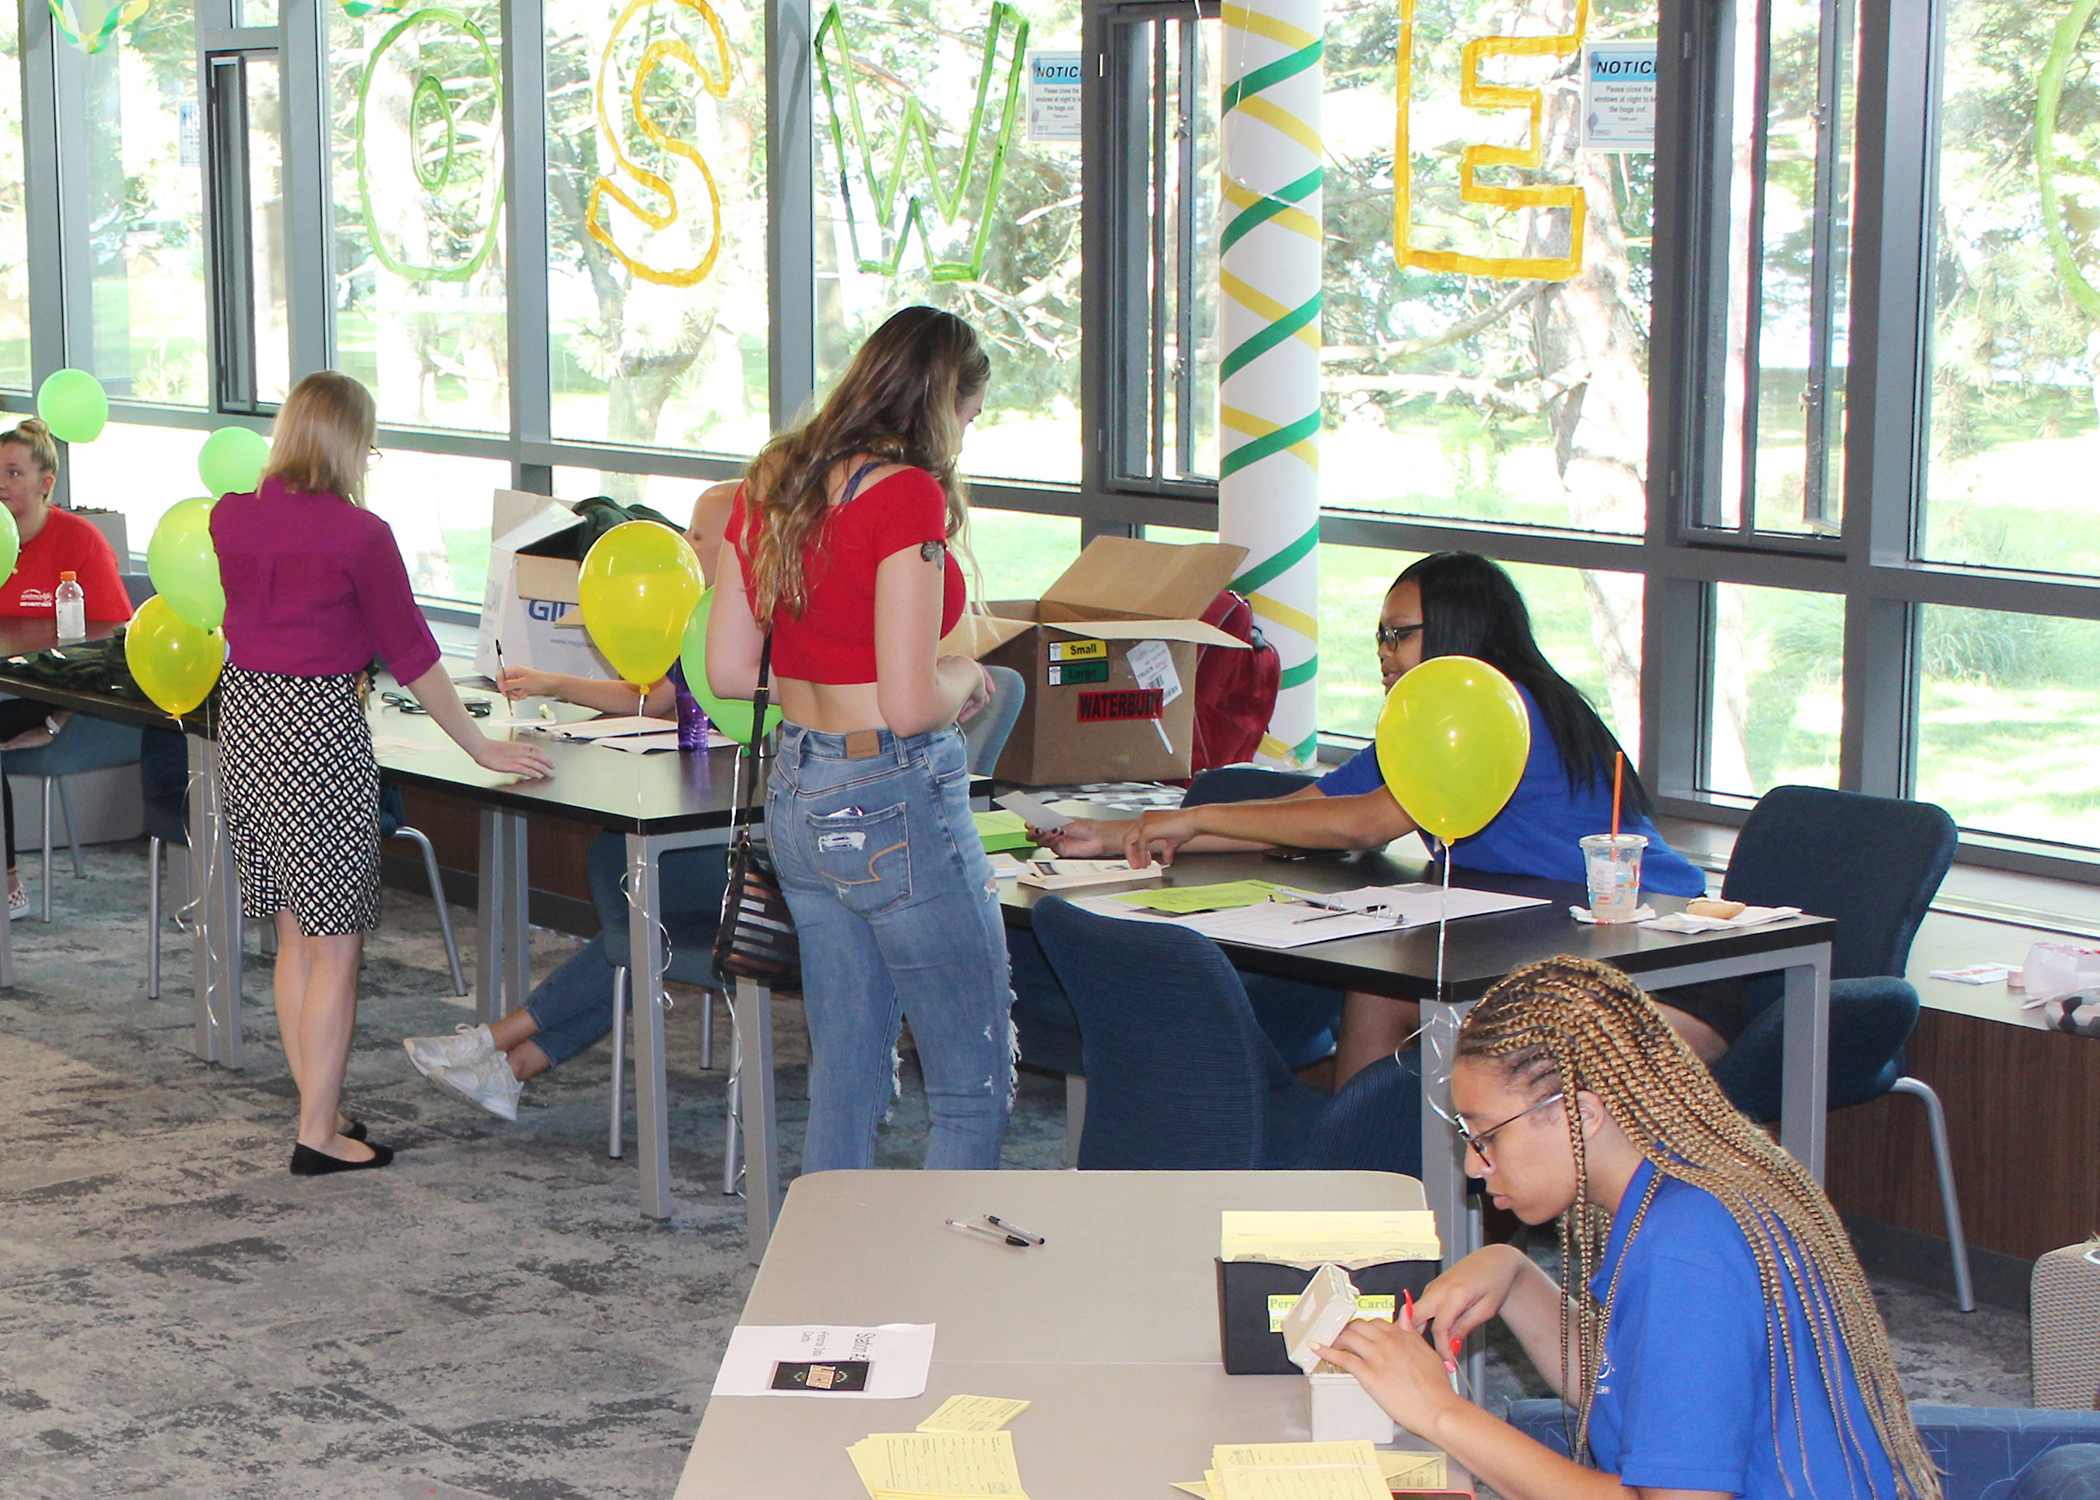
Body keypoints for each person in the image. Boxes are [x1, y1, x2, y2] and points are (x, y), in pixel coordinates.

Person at [1038, 552, 1714, 1080]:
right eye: (1380, 636)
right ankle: (1354, 1179)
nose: (1384, 652)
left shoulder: (1503, 709)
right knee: (1379, 991)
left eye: (1400, 635)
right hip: (1534, 938)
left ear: (1460, 628)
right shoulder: (1431, 720)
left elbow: (1363, 822)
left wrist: (1189, 822)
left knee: (1439, 1011)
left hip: (1654, 950)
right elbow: (1310, 809)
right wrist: (1136, 834)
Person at [1312, 955, 1941, 1500]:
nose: (1474, 1166)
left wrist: (1437, 1410)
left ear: (1578, 1116)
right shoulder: (1672, 1192)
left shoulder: (1688, 1251)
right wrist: (1515, 1279)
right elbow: (1639, 1395)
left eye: (1484, 1135)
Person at [211, 371, 553, 1175]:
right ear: (346, 441)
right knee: (338, 946)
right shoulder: (359, 535)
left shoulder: (229, 516)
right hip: (318, 731)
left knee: (296, 931)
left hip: (247, 723)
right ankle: (318, 1135)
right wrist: (480, 746)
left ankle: (315, 1107)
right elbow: (415, 656)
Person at [706, 304, 1011, 1172]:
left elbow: (730, 671)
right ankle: (953, 1300)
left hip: (798, 789)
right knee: (969, 1081)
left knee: (844, 1074)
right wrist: (968, 677)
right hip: (892, 792)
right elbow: (912, 703)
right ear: (945, 402)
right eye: (969, 416)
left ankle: (823, 1290)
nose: (964, 438)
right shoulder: (906, 495)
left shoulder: (772, 479)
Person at [400, 481, 739, 1118]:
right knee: (633, 914)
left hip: (733, 845)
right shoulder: (704, 617)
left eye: (698, 534)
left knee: (642, 929)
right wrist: (553, 682)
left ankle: (494, 1042)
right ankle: (512, 1065)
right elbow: (655, 698)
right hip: (682, 827)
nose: (685, 545)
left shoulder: (761, 631)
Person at [0, 416, 131, 917]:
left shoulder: (79, 541)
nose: (3, 483)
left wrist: (57, 722)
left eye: (14, 473)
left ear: (45, 483)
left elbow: (116, 645)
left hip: (62, 703)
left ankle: (9, 885)